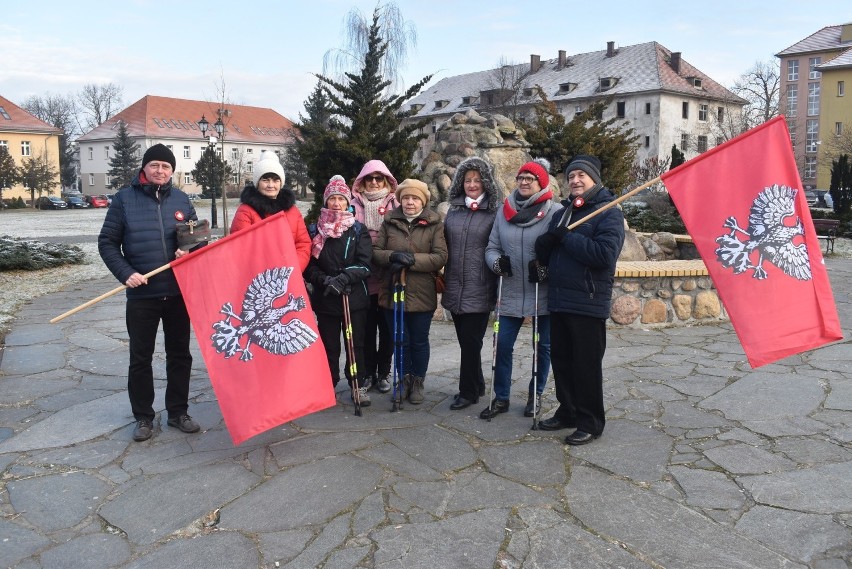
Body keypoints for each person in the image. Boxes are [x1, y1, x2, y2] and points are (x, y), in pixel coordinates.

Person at [98, 144, 201, 442]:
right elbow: (107, 243)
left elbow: (198, 239)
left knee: (180, 355)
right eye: (154, 165)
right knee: (140, 357)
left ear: (172, 171)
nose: (160, 171)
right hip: (143, 296)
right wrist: (125, 273)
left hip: (178, 293)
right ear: (144, 168)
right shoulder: (123, 200)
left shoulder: (182, 200)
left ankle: (178, 412)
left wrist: (191, 248)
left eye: (166, 167)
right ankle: (143, 416)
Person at [534, 155, 625, 445]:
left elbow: (604, 255)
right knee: (562, 361)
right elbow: (554, 248)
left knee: (585, 366)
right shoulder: (564, 211)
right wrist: (544, 247)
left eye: (581, 176)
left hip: (588, 300)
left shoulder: (608, 212)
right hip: (559, 298)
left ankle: (590, 421)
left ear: (594, 179)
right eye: (571, 176)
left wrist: (566, 239)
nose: (574, 180)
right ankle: (568, 411)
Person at [481, 159, 558, 420]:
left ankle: (535, 395)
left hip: (541, 292)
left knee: (542, 347)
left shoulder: (554, 211)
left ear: (541, 183)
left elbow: (560, 250)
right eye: (521, 178)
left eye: (530, 178)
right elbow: (492, 247)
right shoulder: (504, 212)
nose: (524, 182)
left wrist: (547, 269)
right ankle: (501, 396)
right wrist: (496, 263)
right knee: (502, 345)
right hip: (510, 290)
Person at [373, 179, 448, 405]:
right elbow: (376, 252)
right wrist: (393, 256)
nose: (410, 202)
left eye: (415, 198)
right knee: (400, 340)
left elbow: (440, 256)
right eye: (406, 198)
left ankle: (417, 381)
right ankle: (403, 379)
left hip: (421, 292)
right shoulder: (389, 222)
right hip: (393, 289)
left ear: (422, 201)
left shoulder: (434, 224)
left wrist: (411, 260)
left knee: (418, 341)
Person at [304, 176, 373, 406]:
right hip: (327, 298)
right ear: (326, 202)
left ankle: (357, 384)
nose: (336, 203)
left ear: (347, 202)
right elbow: (309, 265)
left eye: (340, 199)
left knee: (356, 344)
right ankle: (328, 384)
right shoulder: (315, 230)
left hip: (353, 297)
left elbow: (364, 263)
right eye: (332, 199)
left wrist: (343, 278)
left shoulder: (357, 230)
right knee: (329, 345)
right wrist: (325, 280)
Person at [441, 157, 500, 410]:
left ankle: (467, 392)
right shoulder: (454, 211)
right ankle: (477, 383)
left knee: (472, 341)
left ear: (486, 182)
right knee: (466, 341)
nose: (472, 184)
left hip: (480, 286)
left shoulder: (494, 212)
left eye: (477, 180)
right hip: (454, 285)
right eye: (468, 180)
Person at [350, 160, 399, 394]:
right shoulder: (353, 204)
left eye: (379, 178)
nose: (374, 182)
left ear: (387, 181)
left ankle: (383, 372)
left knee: (387, 328)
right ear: (362, 182)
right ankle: (368, 372)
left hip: (387, 273)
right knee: (366, 327)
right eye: (370, 178)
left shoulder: (395, 204)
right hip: (362, 273)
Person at [231, 150, 311, 272]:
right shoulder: (246, 211)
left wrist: (293, 270)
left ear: (281, 183)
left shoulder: (293, 211)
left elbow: (303, 244)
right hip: (259, 279)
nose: (271, 185)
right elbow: (241, 248)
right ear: (257, 183)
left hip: (289, 276)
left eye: (275, 180)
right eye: (265, 180)